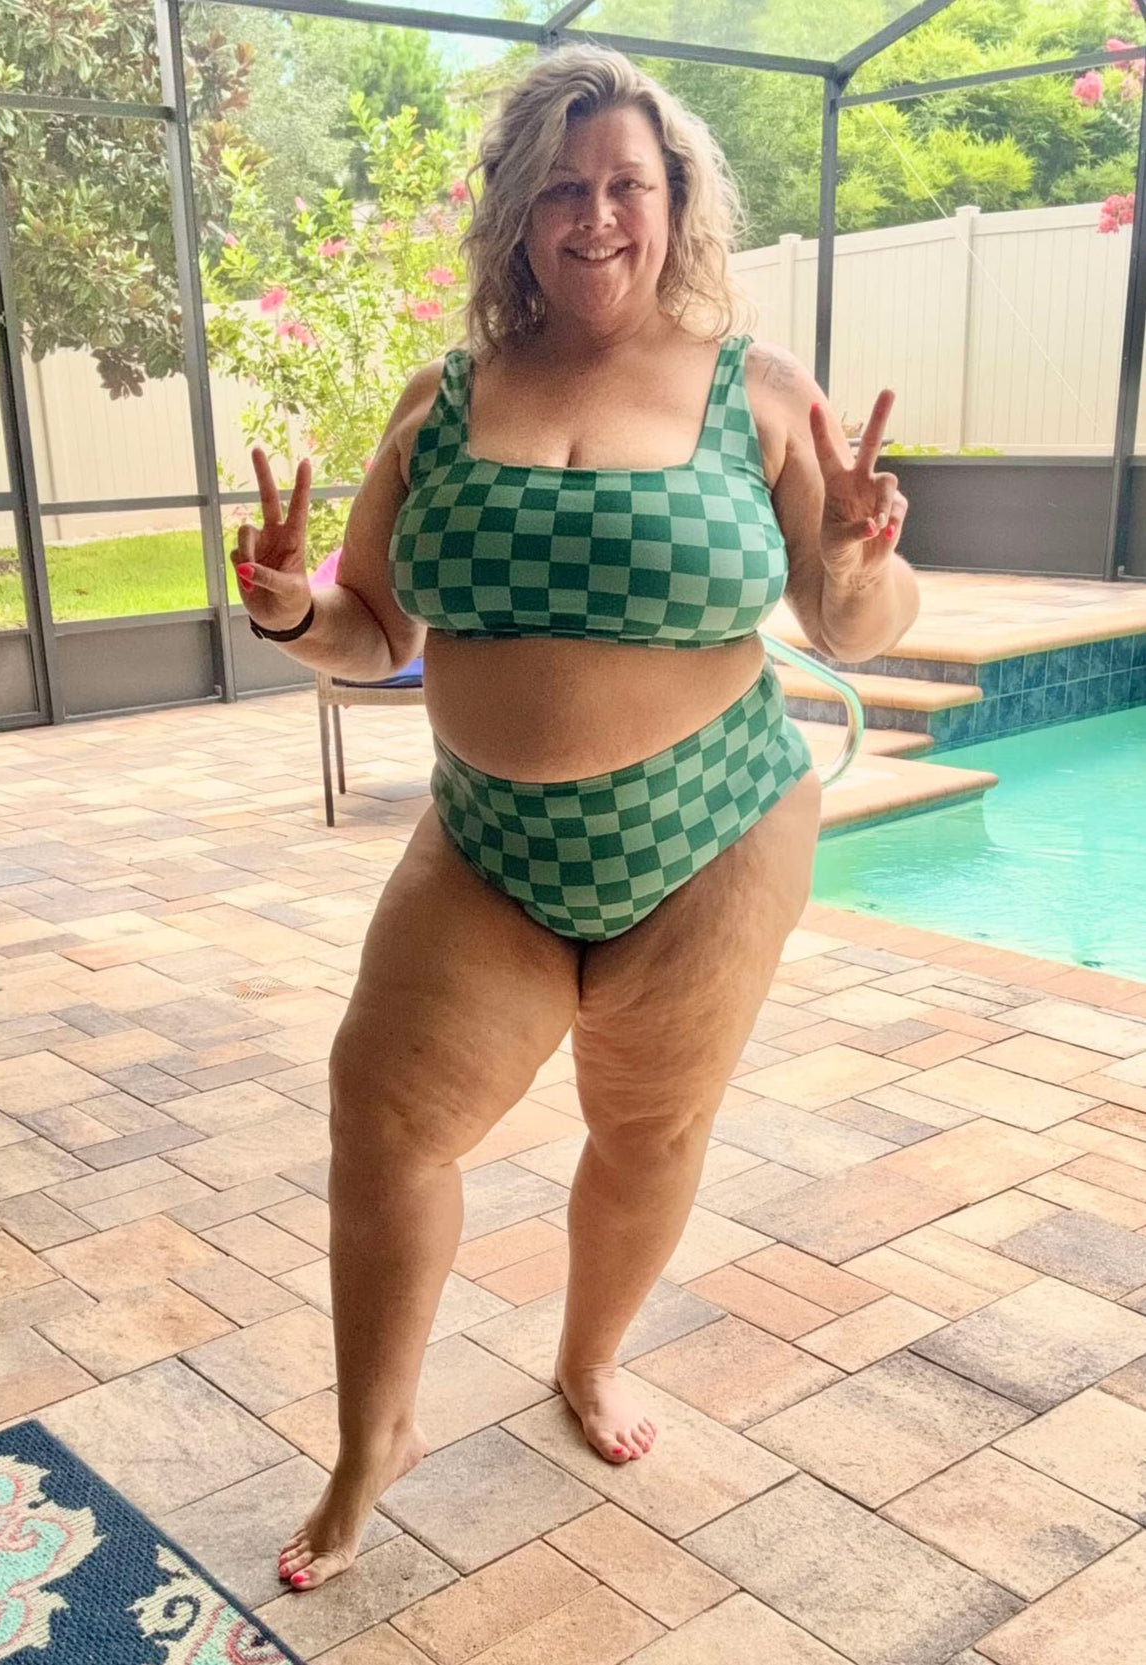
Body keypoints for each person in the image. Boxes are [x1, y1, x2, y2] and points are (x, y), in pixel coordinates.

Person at [231, 46, 918, 1591]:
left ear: (677, 203)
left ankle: (590, 1356)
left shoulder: (762, 389)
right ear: (517, 214)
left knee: (650, 1127)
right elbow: (376, 627)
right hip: (488, 849)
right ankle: (372, 1438)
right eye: (562, 185)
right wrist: (293, 611)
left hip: (712, 835)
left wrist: (867, 554)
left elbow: (852, 621)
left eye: (628, 183)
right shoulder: (440, 399)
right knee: (385, 1123)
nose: (596, 214)